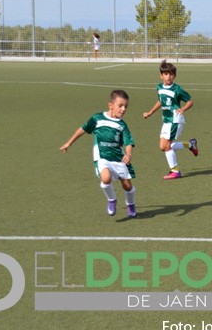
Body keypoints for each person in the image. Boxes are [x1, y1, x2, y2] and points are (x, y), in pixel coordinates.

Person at [60, 89, 137, 218]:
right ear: (110, 105)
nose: (123, 109)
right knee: (105, 178)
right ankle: (112, 200)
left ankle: (131, 203)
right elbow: (82, 129)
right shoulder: (97, 118)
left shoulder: (122, 125)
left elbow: (129, 142)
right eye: (120, 105)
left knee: (127, 186)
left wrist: (128, 154)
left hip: (118, 158)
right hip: (102, 157)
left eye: (126, 106)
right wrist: (69, 143)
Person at [143, 60, 198, 180]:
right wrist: (150, 112)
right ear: (161, 75)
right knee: (164, 147)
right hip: (166, 120)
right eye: (166, 74)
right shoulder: (159, 87)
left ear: (174, 76)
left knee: (166, 145)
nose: (169, 76)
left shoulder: (177, 89)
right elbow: (160, 101)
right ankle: (190, 144)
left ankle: (175, 171)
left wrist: (183, 109)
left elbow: (190, 101)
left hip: (175, 119)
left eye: (171, 74)